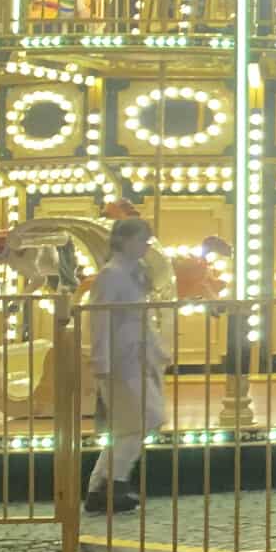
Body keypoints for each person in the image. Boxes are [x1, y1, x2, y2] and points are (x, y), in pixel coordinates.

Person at [83, 217, 170, 515]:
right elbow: (100, 318)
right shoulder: (111, 275)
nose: (146, 245)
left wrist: (158, 350)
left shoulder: (133, 273)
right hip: (121, 357)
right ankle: (113, 481)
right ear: (125, 241)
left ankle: (101, 485)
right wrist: (101, 359)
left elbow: (143, 318)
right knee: (143, 419)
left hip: (136, 355)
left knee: (131, 424)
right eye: (141, 239)